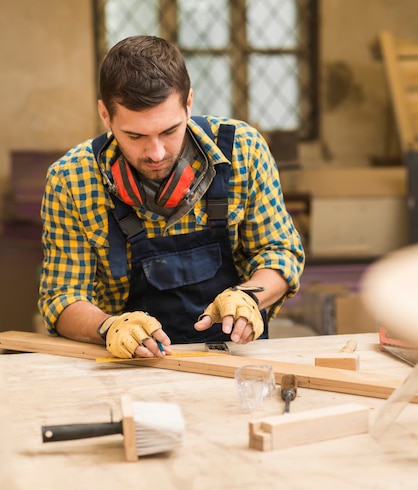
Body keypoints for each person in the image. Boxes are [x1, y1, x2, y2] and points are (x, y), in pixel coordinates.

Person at [38, 35, 305, 359]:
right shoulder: (72, 179)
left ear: (188, 103)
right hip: (130, 369)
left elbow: (280, 253)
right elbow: (62, 298)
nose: (156, 152)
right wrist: (109, 327)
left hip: (235, 363)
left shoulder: (242, 151)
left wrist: (248, 297)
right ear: (105, 115)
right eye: (135, 136)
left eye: (169, 131)